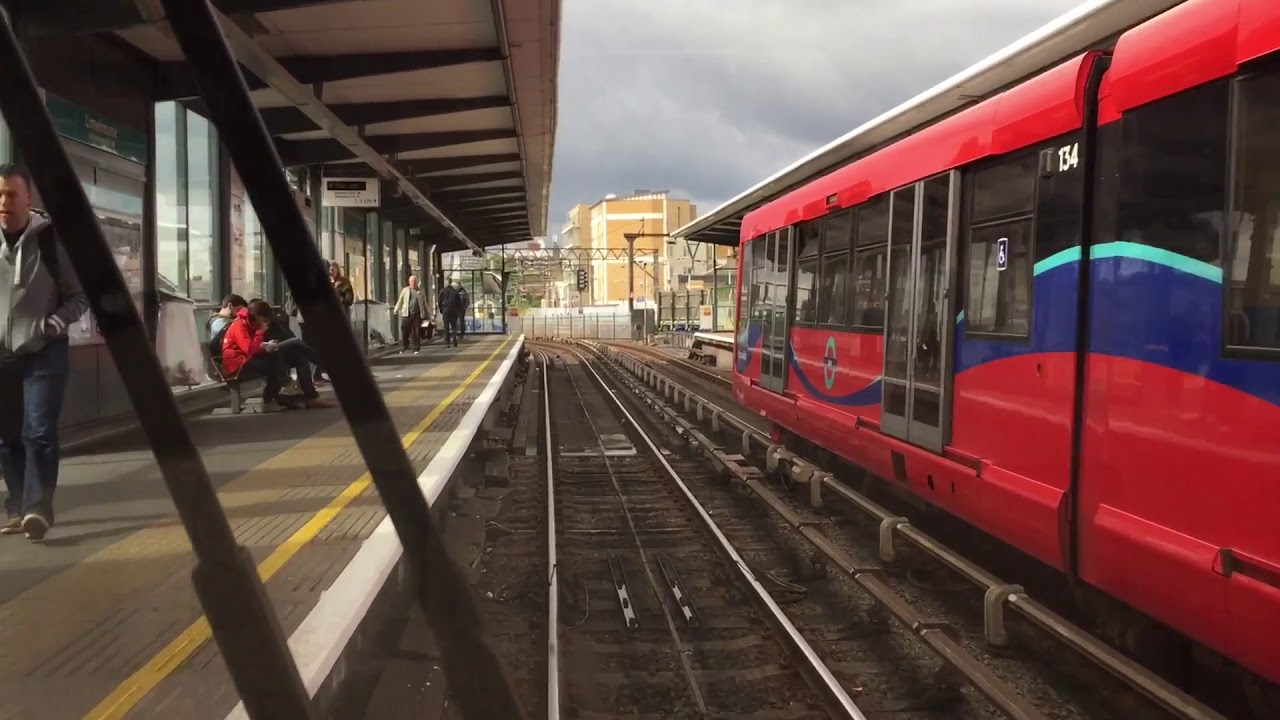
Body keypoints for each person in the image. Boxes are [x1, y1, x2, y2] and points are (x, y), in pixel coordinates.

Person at [0, 163, 90, 541]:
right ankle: (19, 505)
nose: (3, 201)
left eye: (10, 194)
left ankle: (38, 507)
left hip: (44, 349)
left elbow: (80, 297)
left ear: (28, 198)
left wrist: (51, 325)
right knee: (6, 437)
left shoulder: (51, 240)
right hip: (2, 353)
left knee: (37, 430)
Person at [222, 300, 334, 413]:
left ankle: (312, 397)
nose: (266, 322)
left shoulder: (249, 323)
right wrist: (261, 334)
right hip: (240, 364)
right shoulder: (239, 325)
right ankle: (325, 366)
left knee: (299, 358)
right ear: (259, 316)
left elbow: (253, 347)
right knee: (294, 343)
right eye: (264, 319)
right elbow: (249, 349)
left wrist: (266, 344)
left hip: (249, 359)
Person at [392, 275, 427, 354]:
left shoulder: (420, 291)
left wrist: (427, 313)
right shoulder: (405, 290)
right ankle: (405, 346)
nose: (413, 283)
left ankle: (416, 348)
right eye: (411, 281)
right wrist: (396, 310)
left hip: (417, 314)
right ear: (409, 282)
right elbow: (400, 300)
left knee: (416, 332)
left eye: (414, 281)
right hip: (406, 314)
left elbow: (424, 303)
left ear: (417, 282)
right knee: (405, 331)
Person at [438, 281, 461, 348]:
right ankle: (454, 340)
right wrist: (458, 310)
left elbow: (439, 301)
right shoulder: (455, 292)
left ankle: (447, 343)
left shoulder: (442, 291)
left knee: (446, 327)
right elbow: (458, 302)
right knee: (454, 326)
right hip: (454, 311)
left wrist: (441, 309)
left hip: (445, 311)